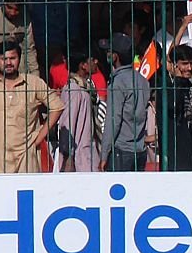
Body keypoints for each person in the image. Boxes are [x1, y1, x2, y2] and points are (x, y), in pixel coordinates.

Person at [0, 40, 63, 173]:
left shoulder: (33, 83)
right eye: (4, 59)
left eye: (12, 58)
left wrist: (39, 137)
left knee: (26, 193)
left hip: (26, 159)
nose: (8, 63)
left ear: (19, 59)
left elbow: (57, 106)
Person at [99, 33, 150, 171]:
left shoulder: (118, 82)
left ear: (115, 56)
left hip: (121, 151)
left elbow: (113, 120)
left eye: (109, 52)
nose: (106, 55)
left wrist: (104, 154)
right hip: (140, 149)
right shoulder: (142, 79)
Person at [57, 51, 100, 172]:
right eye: (92, 59)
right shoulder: (74, 90)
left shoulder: (86, 88)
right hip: (79, 161)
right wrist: (68, 158)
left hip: (87, 156)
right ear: (83, 65)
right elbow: (67, 124)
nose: (95, 62)